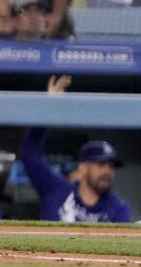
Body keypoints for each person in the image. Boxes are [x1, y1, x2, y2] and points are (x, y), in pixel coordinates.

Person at [19, 77, 132, 223]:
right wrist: (46, 107)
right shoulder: (56, 189)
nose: (107, 171)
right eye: (101, 164)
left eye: (110, 166)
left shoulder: (118, 208)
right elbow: (30, 154)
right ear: (83, 167)